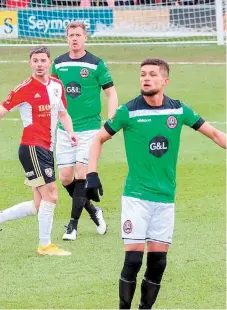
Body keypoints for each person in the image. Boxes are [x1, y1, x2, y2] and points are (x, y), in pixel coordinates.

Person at [85, 58, 226, 308]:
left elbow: (215, 134)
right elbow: (98, 140)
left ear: (165, 80)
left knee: (158, 263)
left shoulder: (179, 110)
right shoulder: (128, 111)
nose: (146, 78)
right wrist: (91, 174)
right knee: (133, 261)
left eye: (152, 74)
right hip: (136, 197)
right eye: (142, 74)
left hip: (165, 199)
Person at [0, 46, 77, 256]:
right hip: (32, 147)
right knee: (51, 196)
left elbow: (63, 114)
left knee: (38, 204)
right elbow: (2, 110)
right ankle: (45, 245)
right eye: (35, 60)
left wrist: (70, 133)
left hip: (46, 148)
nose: (39, 64)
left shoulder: (57, 86)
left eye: (43, 60)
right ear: (30, 63)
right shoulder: (23, 88)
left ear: (49, 62)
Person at [51, 21, 118, 241]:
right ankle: (93, 211)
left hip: (89, 129)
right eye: (71, 35)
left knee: (81, 173)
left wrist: (111, 118)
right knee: (65, 178)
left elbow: (111, 93)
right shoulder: (58, 64)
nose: (75, 39)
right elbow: (50, 92)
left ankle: (72, 225)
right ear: (66, 38)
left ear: (85, 38)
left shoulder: (96, 64)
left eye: (78, 35)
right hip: (65, 129)